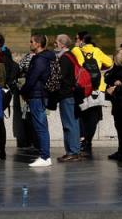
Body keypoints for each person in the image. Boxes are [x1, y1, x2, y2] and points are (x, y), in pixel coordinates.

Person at [72, 31, 112, 158]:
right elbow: (110, 63)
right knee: (93, 117)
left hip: (83, 87)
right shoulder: (97, 50)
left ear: (82, 40)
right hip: (97, 88)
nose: (75, 41)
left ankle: (83, 140)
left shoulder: (76, 50)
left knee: (81, 115)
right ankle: (88, 142)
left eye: (76, 39)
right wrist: (99, 70)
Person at [19, 34, 54, 167]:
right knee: (41, 126)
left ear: (38, 44)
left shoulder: (40, 59)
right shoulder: (45, 57)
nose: (30, 44)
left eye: (32, 42)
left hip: (37, 95)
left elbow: (32, 78)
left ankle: (45, 156)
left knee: (40, 127)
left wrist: (24, 91)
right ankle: (45, 155)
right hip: (39, 94)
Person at [53, 34, 82, 162]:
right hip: (71, 95)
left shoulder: (64, 58)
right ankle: (72, 151)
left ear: (62, 44)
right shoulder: (70, 56)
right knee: (72, 124)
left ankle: (73, 152)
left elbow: (61, 77)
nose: (54, 45)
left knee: (69, 124)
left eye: (56, 42)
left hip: (67, 95)